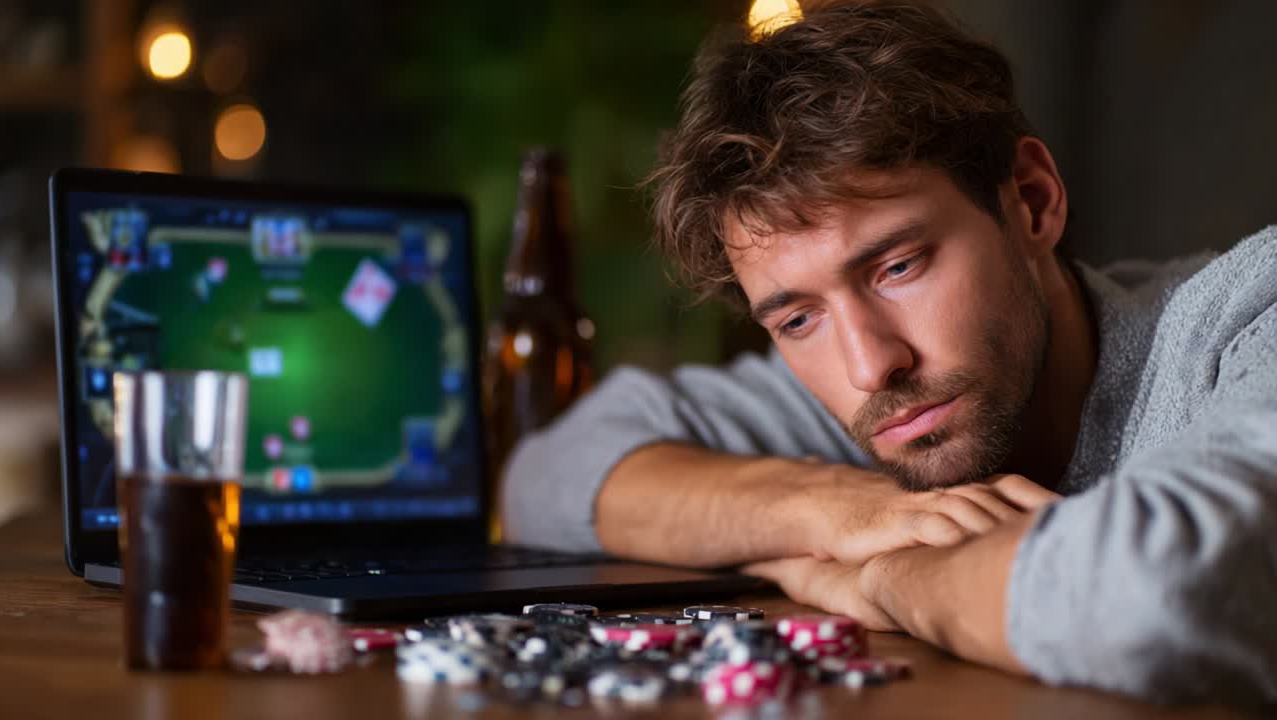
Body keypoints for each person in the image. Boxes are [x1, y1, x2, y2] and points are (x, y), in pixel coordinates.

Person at [500, 1, 1277, 704]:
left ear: (1033, 203)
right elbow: (549, 474)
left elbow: (1158, 595)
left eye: (898, 267)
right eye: (797, 317)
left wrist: (875, 575)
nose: (871, 366)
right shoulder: (889, 404)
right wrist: (834, 509)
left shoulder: (1252, 313)